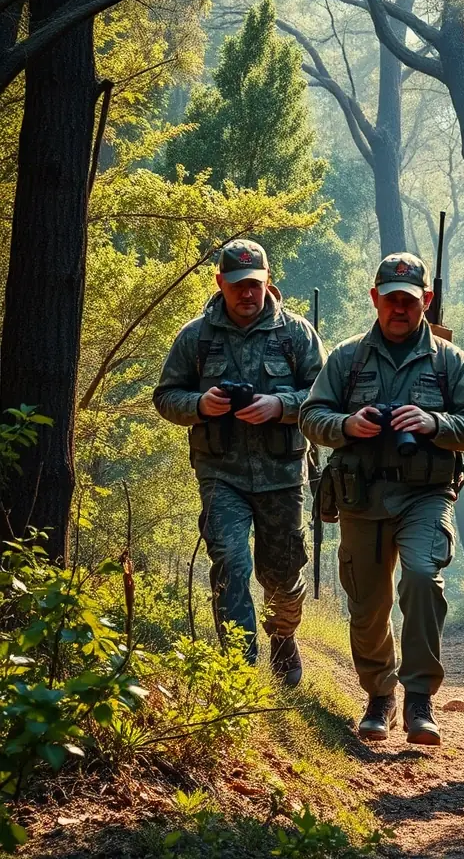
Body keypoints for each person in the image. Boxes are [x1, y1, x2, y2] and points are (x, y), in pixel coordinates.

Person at [299, 253, 464, 745]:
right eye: (391, 300)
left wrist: (435, 424)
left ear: (426, 301)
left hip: (425, 493)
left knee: (422, 578)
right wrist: (346, 425)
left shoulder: (449, 361)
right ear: (375, 299)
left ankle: (419, 698)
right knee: (367, 603)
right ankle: (379, 694)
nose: (400, 309)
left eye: (410, 301)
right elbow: (310, 416)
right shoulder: (346, 358)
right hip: (360, 494)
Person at [154, 239, 326, 686]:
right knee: (230, 560)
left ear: (268, 281)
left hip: (283, 475)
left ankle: (283, 637)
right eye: (237, 286)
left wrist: (280, 405)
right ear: (220, 284)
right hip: (220, 473)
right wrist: (200, 404)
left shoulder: (296, 334)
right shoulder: (196, 336)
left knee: (283, 575)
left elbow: (326, 399)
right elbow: (165, 397)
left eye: (253, 284)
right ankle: (239, 669)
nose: (246, 294)